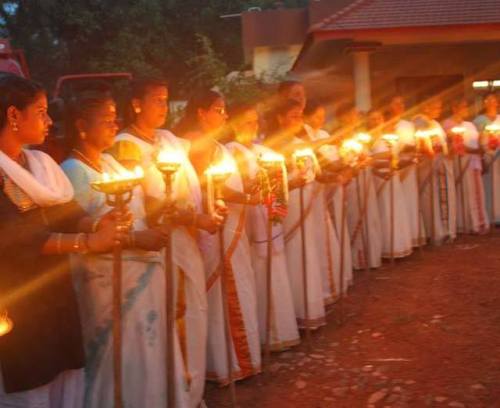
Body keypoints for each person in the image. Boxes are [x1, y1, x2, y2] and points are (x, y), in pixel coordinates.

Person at [61, 91, 194, 407]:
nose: (114, 125)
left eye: (114, 118)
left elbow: (136, 208)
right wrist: (138, 240)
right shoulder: (72, 171)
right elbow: (80, 229)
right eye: (106, 120)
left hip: (141, 270)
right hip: (106, 282)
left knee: (147, 350)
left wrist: (164, 210)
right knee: (120, 355)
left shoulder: (109, 161)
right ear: (82, 126)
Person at [0, 74, 120, 407]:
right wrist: (86, 243)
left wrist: (98, 222)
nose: (49, 120)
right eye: (40, 112)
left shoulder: (39, 163)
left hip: (56, 292)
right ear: (13, 116)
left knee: (64, 376)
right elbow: (15, 238)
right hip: (16, 298)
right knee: (30, 382)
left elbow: (66, 213)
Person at [110, 78, 221, 406]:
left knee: (192, 308)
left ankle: (192, 388)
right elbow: (139, 203)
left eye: (166, 100)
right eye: (157, 100)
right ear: (136, 104)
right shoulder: (125, 146)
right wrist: (193, 218)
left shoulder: (168, 139)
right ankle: (175, 390)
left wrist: (210, 202)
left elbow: (194, 181)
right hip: (157, 242)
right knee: (172, 311)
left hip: (185, 237)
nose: (163, 107)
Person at [175, 89, 262, 384]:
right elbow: (206, 188)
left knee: (238, 285)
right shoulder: (188, 146)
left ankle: (237, 360)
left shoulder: (217, 147)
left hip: (227, 224)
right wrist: (245, 196)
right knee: (217, 295)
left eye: (225, 110)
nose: (224, 115)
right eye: (218, 109)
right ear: (200, 112)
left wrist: (248, 191)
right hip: (206, 230)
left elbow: (225, 183)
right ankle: (222, 363)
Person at [226, 103, 300, 352]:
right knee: (258, 271)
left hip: (268, 215)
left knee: (276, 267)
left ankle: (282, 331)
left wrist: (290, 180)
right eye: (247, 122)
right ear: (235, 125)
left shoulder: (262, 150)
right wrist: (258, 184)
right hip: (249, 219)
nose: (253, 127)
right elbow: (239, 184)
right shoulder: (232, 150)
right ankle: (264, 333)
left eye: (255, 122)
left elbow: (277, 180)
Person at [267, 98, 327, 329]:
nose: (298, 120)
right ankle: (291, 313)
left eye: (300, 116)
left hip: (307, 205)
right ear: (280, 118)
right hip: (288, 209)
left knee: (307, 252)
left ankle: (309, 307)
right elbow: (271, 185)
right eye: (293, 116)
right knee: (292, 255)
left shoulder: (301, 144)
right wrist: (292, 182)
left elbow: (317, 173)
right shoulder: (271, 147)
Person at [304, 100, 353, 297]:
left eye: (323, 116)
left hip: (332, 185)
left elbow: (335, 157)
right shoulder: (306, 136)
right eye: (316, 116)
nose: (320, 120)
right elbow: (318, 162)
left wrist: (347, 162)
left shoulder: (324, 134)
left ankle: (339, 276)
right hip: (315, 190)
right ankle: (325, 287)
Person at [368, 109, 413, 260]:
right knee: (382, 211)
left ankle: (398, 246)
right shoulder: (367, 139)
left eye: (378, 118)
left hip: (391, 178)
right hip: (376, 179)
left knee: (394, 209)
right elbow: (366, 160)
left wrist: (406, 161)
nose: (375, 122)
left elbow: (396, 158)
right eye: (372, 119)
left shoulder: (389, 138)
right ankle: (384, 248)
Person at [442, 98, 489, 234]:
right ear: (455, 108)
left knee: (477, 193)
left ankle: (479, 222)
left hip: (474, 162)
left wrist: (482, 143)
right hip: (460, 162)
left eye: (466, 107)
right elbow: (455, 144)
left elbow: (477, 142)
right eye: (462, 106)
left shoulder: (469, 125)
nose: (465, 109)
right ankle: (467, 223)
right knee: (465, 193)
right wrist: (473, 150)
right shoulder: (448, 124)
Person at [414, 99, 457, 245]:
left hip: (442, 166)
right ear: (426, 106)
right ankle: (434, 233)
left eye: (439, 107)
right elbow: (421, 144)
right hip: (428, 167)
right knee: (430, 198)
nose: (438, 109)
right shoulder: (419, 121)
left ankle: (446, 231)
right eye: (435, 106)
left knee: (444, 197)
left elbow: (443, 144)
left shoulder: (437, 124)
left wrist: (452, 144)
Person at [388, 96, 426, 247]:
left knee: (410, 199)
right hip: (395, 165)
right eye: (396, 103)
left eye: (402, 103)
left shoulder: (408, 124)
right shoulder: (387, 124)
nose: (400, 106)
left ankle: (412, 236)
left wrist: (416, 148)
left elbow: (414, 144)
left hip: (409, 164)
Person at [473, 93, 500, 226]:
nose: (491, 103)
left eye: (494, 100)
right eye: (488, 100)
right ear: (484, 103)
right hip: (488, 156)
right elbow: (476, 139)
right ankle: (490, 215)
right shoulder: (479, 120)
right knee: (489, 186)